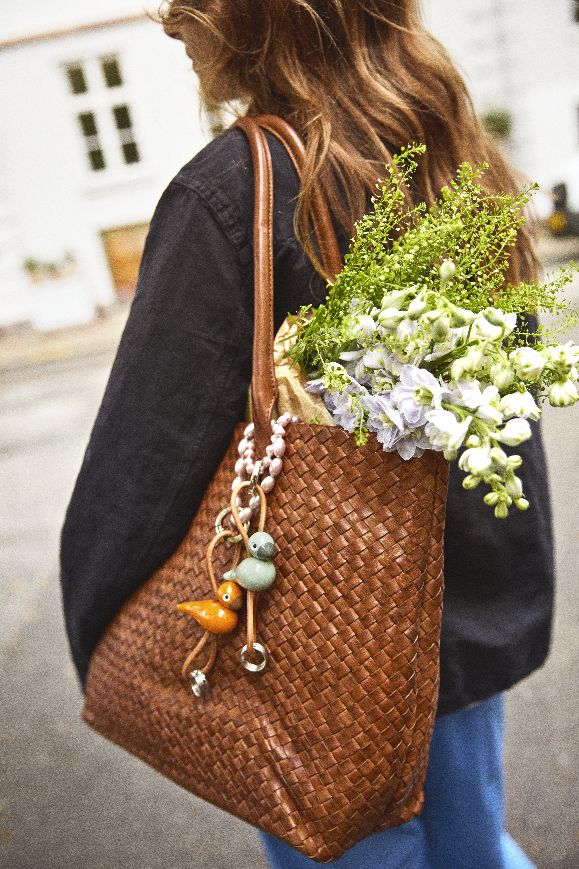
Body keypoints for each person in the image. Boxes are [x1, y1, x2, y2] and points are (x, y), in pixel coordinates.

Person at [59, 2, 554, 867]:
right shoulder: (447, 146)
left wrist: (99, 622)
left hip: (316, 657)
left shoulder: (236, 188)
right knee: (472, 847)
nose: (166, 20)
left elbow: (148, 457)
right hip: (459, 633)